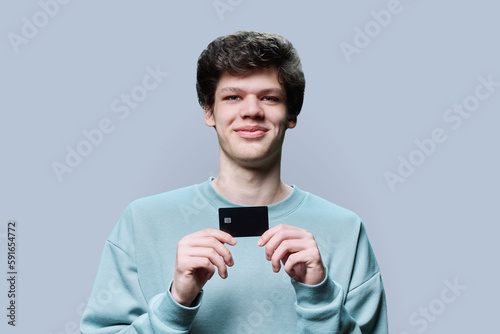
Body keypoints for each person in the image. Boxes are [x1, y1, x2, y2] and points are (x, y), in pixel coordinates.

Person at [80, 30, 388, 333]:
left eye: (269, 98)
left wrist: (319, 296)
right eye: (233, 97)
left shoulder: (346, 230)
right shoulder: (142, 222)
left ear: (291, 114)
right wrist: (175, 303)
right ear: (209, 111)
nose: (251, 111)